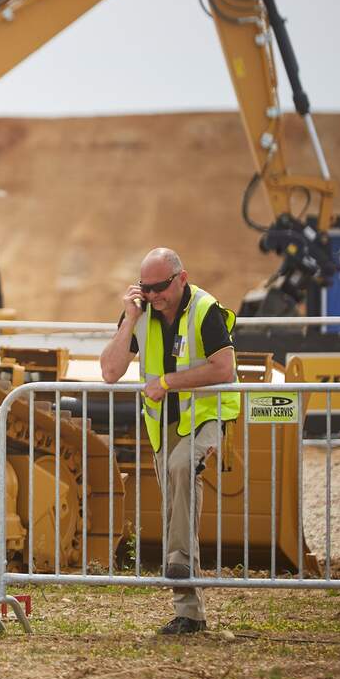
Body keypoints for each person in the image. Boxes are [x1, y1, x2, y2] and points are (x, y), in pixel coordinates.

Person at [99, 247, 239, 635]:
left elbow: (223, 368)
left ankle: (177, 559)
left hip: (207, 414)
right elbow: (111, 371)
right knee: (175, 506)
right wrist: (129, 319)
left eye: (160, 287)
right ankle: (190, 613)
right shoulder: (140, 312)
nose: (154, 295)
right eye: (146, 287)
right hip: (164, 424)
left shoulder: (205, 309)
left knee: (181, 470)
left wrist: (166, 382)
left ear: (181, 278)